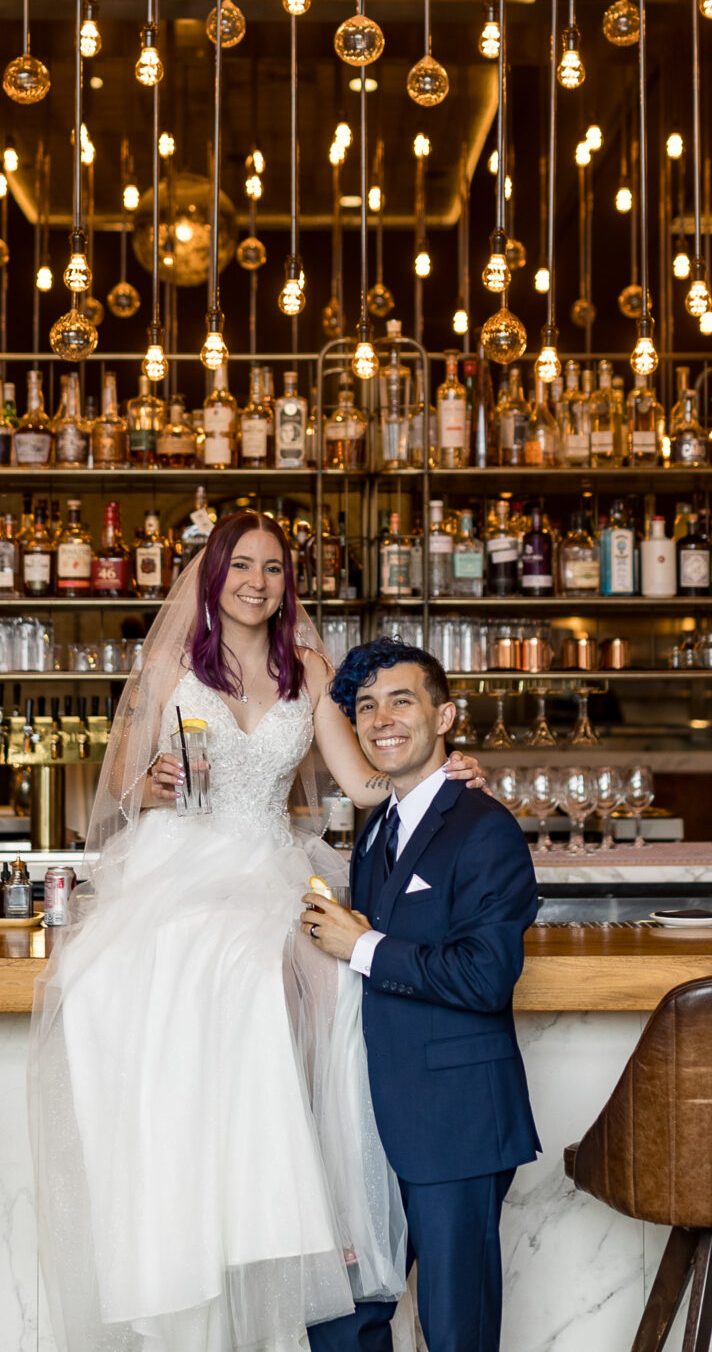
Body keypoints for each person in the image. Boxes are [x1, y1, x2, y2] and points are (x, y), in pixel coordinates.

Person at [31, 511, 486, 1352]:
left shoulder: (311, 669)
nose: (257, 581)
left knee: (318, 979)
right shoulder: (173, 660)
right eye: (241, 565)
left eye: (274, 568)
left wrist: (433, 767)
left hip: (270, 857)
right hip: (182, 860)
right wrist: (155, 784)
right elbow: (120, 779)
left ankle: (302, 1222)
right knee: (170, 978)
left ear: (289, 581)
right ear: (212, 575)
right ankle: (197, 1224)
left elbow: (359, 783)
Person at [300, 637, 540, 1352]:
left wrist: (362, 946)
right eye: (366, 706)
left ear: (445, 717)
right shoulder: (379, 826)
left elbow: (485, 974)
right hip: (371, 1117)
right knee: (345, 1323)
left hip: (455, 1120)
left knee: (453, 1326)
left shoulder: (485, 827)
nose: (380, 719)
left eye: (401, 700)